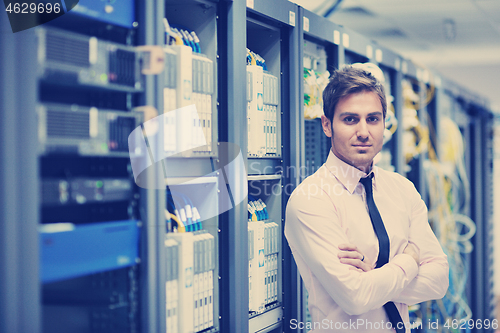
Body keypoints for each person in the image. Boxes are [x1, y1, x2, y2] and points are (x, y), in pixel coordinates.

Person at [284, 65, 449, 332]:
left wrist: (373, 274)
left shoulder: (402, 190)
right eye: (350, 119)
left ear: (385, 122)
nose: (363, 132)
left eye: (373, 119)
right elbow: (356, 297)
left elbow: (439, 281)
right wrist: (409, 258)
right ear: (327, 125)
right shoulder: (311, 200)